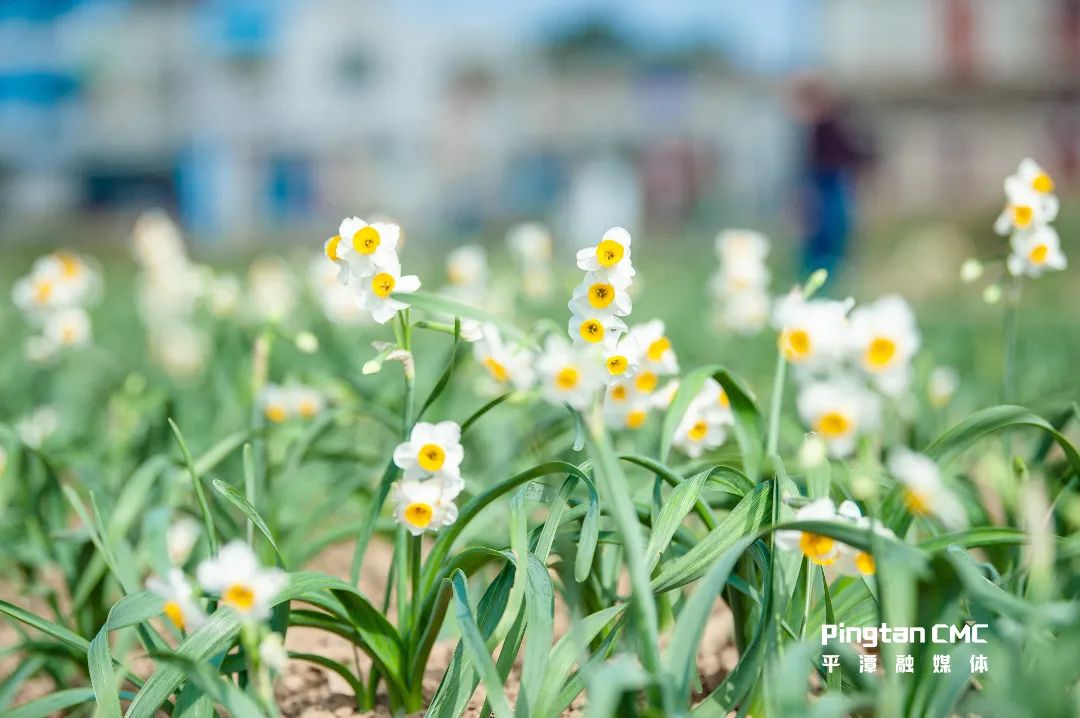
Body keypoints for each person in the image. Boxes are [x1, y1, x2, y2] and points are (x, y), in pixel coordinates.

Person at [792, 74, 872, 280]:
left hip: (832, 185)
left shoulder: (832, 125)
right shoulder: (819, 127)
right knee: (821, 236)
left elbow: (852, 153)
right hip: (823, 186)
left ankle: (827, 278)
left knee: (830, 234)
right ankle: (819, 278)